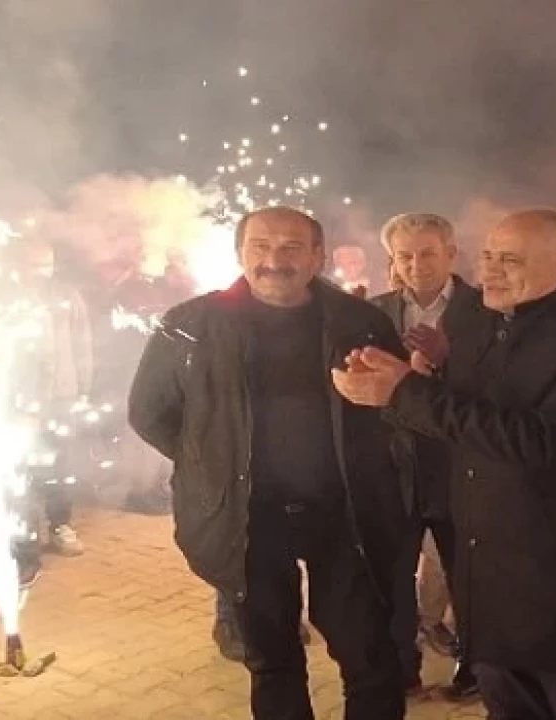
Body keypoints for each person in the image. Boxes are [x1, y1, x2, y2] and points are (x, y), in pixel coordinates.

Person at [333, 208, 556, 719]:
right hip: (493, 589)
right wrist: (401, 377)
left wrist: (406, 393)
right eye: (487, 256)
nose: (489, 270)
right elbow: (468, 418)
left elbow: (547, 442)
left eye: (510, 260)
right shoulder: (481, 322)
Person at [129, 207, 407, 719]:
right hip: (247, 519)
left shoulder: (361, 322)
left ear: (317, 256)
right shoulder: (190, 326)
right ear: (240, 253)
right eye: (260, 246)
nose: (274, 260)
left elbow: (398, 410)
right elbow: (149, 413)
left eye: (291, 248)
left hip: (345, 515)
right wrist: (214, 466)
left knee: (370, 655)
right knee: (272, 659)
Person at [371, 212, 483, 699]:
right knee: (393, 577)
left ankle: (475, 669)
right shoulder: (373, 314)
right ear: (392, 260)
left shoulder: (486, 310)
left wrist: (447, 360)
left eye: (428, 253)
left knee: (470, 577)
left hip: (463, 467)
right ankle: (402, 669)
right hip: (394, 468)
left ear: (451, 254)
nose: (416, 265)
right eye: (405, 256)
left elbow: (500, 385)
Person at [15, 239, 92, 561]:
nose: (40, 272)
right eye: (34, 265)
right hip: (21, 400)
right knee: (24, 465)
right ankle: (26, 532)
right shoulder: (8, 300)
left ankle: (60, 524)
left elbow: (82, 342)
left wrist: (84, 387)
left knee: (62, 463)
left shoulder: (66, 296)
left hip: (62, 395)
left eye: (45, 265)